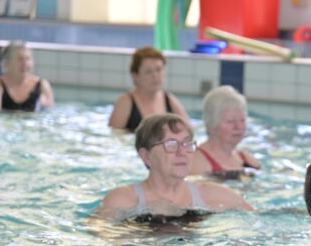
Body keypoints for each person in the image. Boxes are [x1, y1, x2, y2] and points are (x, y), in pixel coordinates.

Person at [93, 113, 253, 223]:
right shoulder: (123, 199)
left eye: (186, 143)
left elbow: (259, 220)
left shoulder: (212, 195)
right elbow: (99, 236)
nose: (182, 151)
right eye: (170, 144)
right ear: (146, 156)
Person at [108, 46, 189, 133]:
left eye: (158, 70)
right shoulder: (125, 103)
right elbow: (114, 138)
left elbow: (189, 131)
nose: (155, 75)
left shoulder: (170, 100)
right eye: (148, 71)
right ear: (135, 76)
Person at [188, 85, 261, 175]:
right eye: (230, 121)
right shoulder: (196, 162)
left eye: (242, 120)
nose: (238, 126)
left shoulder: (248, 162)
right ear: (212, 125)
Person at [0, 41, 54, 112]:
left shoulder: (42, 85)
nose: (25, 63)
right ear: (7, 63)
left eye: (28, 59)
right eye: (20, 59)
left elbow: (48, 114)